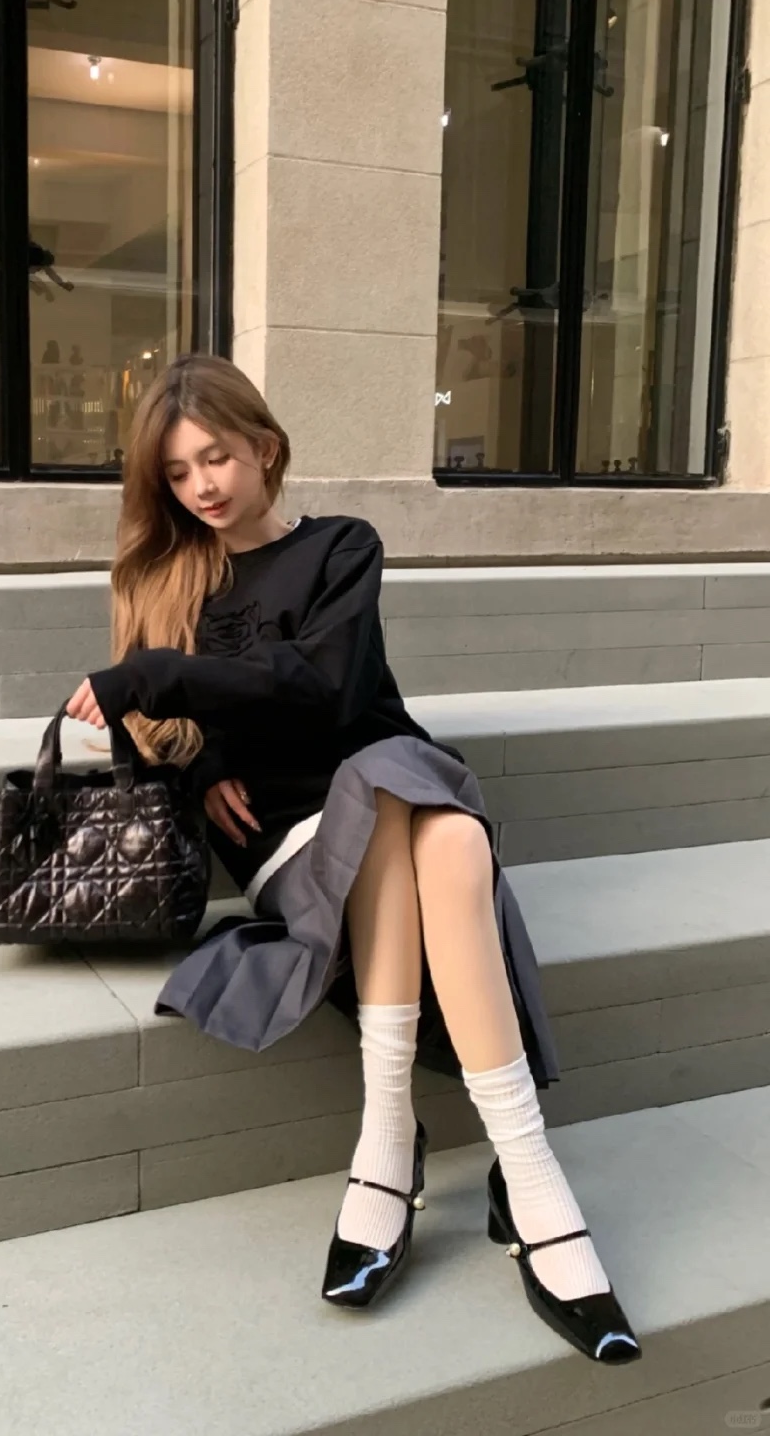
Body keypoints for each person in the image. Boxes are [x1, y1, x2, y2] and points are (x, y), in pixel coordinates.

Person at [66, 354, 640, 1363]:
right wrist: (202, 769)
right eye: (178, 472)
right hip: (286, 830)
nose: (202, 486)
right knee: (428, 829)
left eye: (217, 458)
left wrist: (161, 674)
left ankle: (415, 1149)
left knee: (431, 821)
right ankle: (527, 1184)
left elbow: (328, 690)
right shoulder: (165, 577)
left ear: (265, 448)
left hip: (385, 782)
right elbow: (160, 740)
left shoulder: (343, 547)